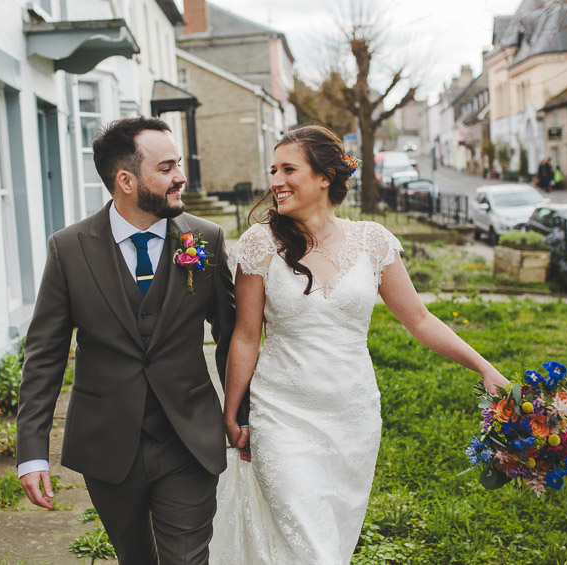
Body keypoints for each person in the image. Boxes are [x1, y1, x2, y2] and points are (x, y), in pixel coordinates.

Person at [210, 125, 510, 564]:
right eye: (273, 170)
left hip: (352, 419)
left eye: (288, 169)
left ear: (324, 177)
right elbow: (245, 336)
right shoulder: (260, 245)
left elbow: (421, 320)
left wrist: (484, 367)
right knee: (310, 548)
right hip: (283, 416)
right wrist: (232, 412)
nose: (275, 181)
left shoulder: (372, 241)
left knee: (331, 542)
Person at [16, 116, 244, 565]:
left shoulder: (206, 239)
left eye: (178, 163)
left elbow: (231, 336)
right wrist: (31, 452)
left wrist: (242, 413)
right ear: (125, 180)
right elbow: (44, 353)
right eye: (166, 167)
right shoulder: (69, 248)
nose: (181, 176)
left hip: (188, 438)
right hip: (107, 444)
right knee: (135, 558)